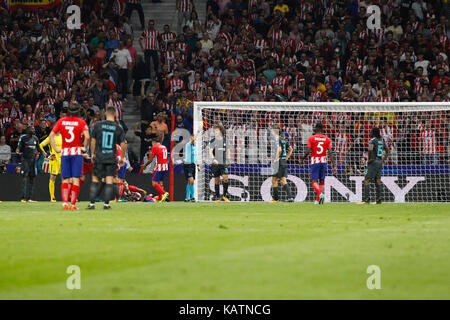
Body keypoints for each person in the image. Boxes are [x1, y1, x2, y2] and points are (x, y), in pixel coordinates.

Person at [49, 103, 90, 211]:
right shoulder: (81, 122)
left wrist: (56, 149)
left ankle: (64, 204)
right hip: (76, 153)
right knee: (76, 179)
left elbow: (51, 135)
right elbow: (87, 136)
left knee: (65, 179)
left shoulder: (61, 121)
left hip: (65, 153)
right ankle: (72, 204)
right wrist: (84, 147)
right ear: (78, 111)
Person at [88, 106, 127, 210]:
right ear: (114, 115)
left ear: (105, 113)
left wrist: (92, 153)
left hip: (100, 156)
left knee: (95, 180)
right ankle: (106, 204)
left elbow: (93, 140)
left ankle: (92, 204)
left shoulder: (98, 125)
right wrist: (122, 157)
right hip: (111, 157)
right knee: (109, 180)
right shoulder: (118, 127)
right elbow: (124, 143)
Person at [300, 123, 337, 205]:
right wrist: (334, 165)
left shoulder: (312, 138)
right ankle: (318, 200)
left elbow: (308, 151)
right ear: (323, 129)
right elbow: (330, 153)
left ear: (316, 129)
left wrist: (302, 159)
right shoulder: (327, 139)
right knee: (322, 181)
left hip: (315, 161)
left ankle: (320, 194)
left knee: (314, 181)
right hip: (324, 161)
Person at [359, 127, 389, 205]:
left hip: (373, 162)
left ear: (374, 133)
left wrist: (370, 160)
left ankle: (366, 199)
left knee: (366, 180)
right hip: (379, 162)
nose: (370, 133)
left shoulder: (372, 140)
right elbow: (387, 151)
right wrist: (383, 160)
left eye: (371, 131)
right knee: (378, 180)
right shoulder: (381, 140)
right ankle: (379, 200)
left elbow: (370, 150)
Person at [16, 126, 44, 202]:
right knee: (24, 177)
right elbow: (19, 146)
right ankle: (23, 197)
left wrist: (43, 153)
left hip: (33, 161)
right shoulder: (23, 137)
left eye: (34, 129)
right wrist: (17, 150)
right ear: (28, 130)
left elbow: (38, 148)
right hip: (25, 159)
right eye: (32, 129)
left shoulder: (35, 138)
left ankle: (30, 198)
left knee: (32, 178)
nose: (33, 130)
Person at [141, 137, 170, 202]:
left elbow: (151, 159)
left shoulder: (155, 147)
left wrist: (145, 165)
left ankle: (164, 193)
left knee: (154, 183)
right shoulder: (164, 147)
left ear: (153, 142)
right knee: (160, 182)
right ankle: (160, 197)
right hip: (165, 167)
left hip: (159, 167)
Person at [271, 125, 293, 202]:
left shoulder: (277, 139)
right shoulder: (283, 140)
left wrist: (276, 158)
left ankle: (276, 199)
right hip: (283, 161)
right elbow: (290, 149)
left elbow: (279, 150)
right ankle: (290, 197)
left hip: (279, 162)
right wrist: (286, 158)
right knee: (283, 180)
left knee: (274, 180)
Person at [209, 124, 230, 202]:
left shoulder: (225, 140)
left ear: (221, 131)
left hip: (223, 163)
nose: (215, 132)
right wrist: (213, 159)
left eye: (217, 130)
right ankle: (217, 197)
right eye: (214, 131)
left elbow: (228, 151)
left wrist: (228, 160)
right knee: (216, 180)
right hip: (215, 164)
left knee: (225, 178)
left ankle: (224, 196)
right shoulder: (213, 141)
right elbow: (210, 152)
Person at [39, 131, 62, 202]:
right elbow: (40, 145)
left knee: (65, 178)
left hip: (63, 159)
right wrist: (45, 154)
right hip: (54, 160)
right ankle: (52, 197)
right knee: (53, 177)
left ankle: (67, 197)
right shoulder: (50, 137)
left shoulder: (64, 136)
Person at [184, 133, 197, 201]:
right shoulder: (188, 144)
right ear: (191, 138)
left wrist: (197, 166)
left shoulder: (195, 146)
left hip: (193, 165)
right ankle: (193, 197)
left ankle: (187, 198)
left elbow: (195, 157)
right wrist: (198, 132)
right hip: (187, 164)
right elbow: (192, 141)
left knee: (191, 182)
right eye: (193, 138)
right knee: (191, 180)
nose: (194, 139)